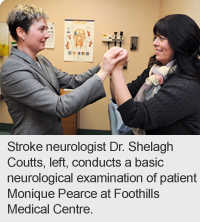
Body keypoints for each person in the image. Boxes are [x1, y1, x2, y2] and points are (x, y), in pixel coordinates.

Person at [0, 4, 126, 135]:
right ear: (21, 32)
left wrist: (103, 65)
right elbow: (59, 106)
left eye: (46, 29)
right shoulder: (13, 69)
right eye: (41, 29)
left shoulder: (42, 61)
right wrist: (103, 73)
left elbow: (73, 81)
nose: (47, 35)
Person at [110, 14, 200, 135]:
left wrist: (117, 71)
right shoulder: (155, 70)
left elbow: (135, 117)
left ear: (181, 43)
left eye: (161, 38)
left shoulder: (186, 85)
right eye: (155, 37)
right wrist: (113, 71)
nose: (154, 43)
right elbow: (120, 95)